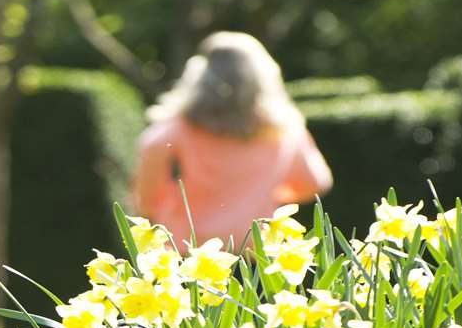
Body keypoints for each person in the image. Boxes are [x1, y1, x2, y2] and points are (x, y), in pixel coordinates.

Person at [130, 31, 332, 246]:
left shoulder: (179, 127)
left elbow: (146, 198)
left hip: (190, 253)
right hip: (258, 250)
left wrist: (172, 202)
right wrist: (262, 194)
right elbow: (315, 182)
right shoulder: (285, 128)